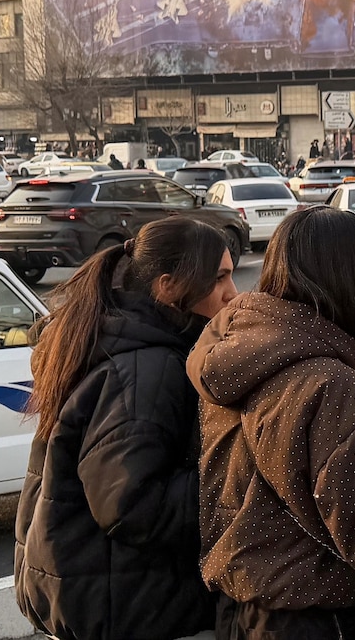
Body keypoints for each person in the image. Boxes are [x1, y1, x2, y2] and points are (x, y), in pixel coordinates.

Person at [191, 206, 355, 640]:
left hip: (239, 612)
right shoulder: (335, 393)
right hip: (320, 618)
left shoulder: (232, 359)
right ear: (350, 280)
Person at [14, 217, 237, 640]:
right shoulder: (147, 366)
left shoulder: (112, 337)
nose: (232, 293)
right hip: (130, 608)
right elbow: (132, 504)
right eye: (219, 278)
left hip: (90, 592)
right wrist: (232, 477)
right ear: (167, 287)